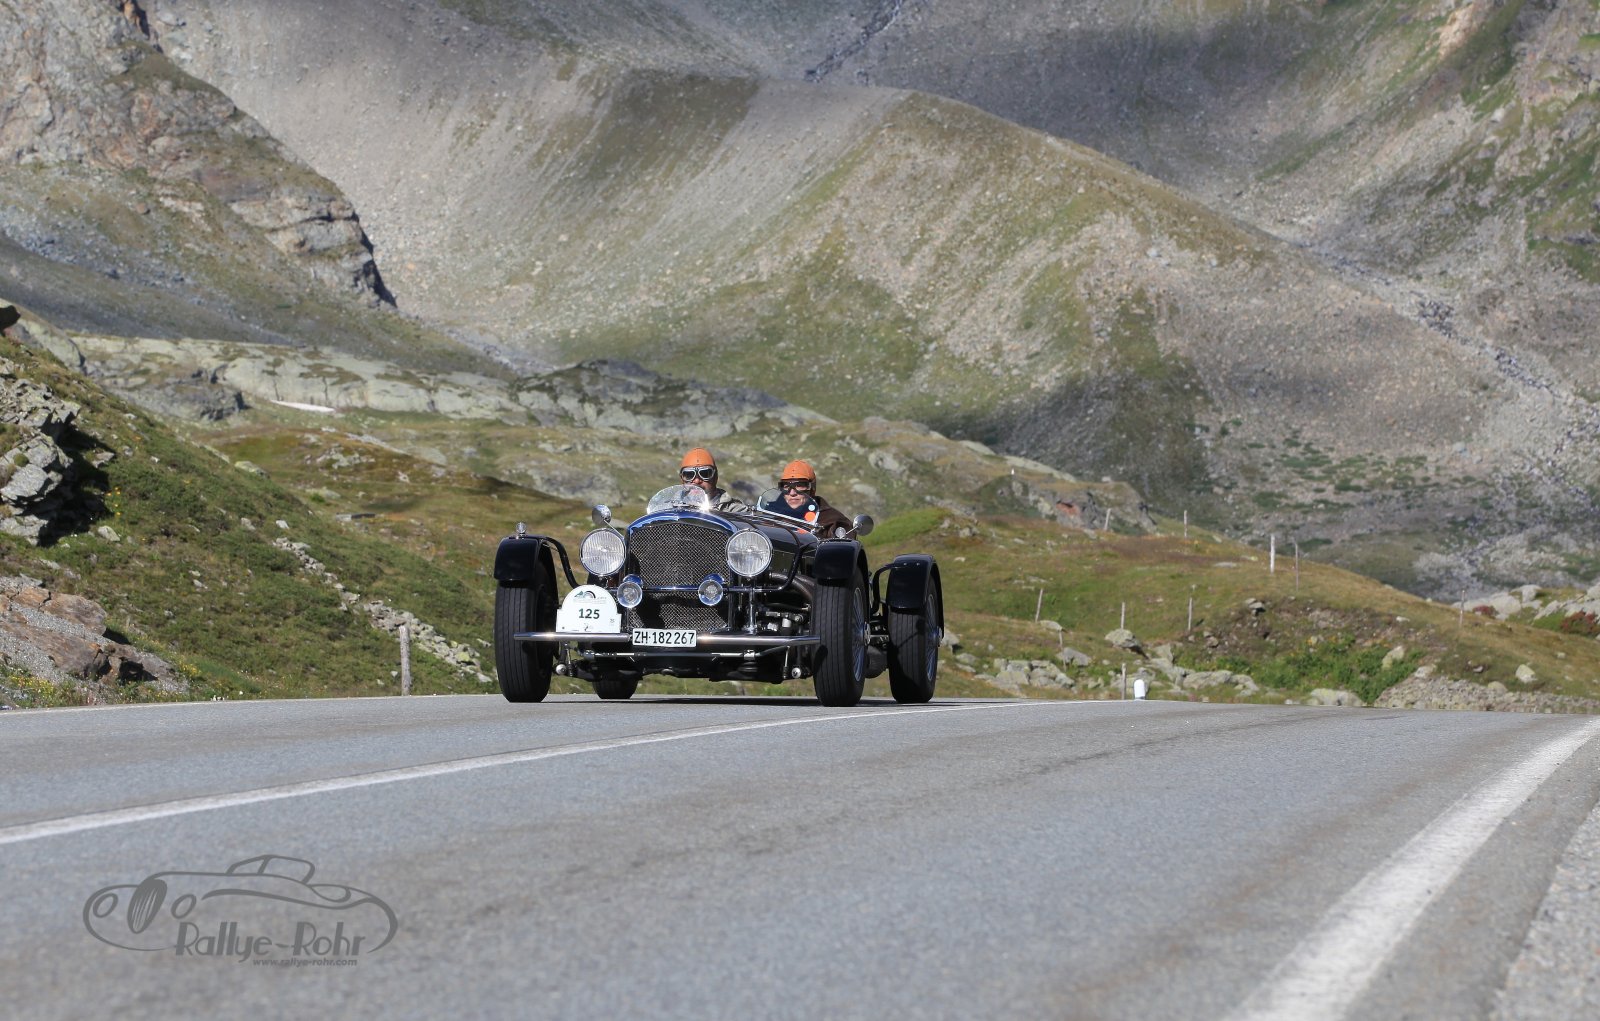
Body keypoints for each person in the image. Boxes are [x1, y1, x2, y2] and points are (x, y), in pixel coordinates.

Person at [763, 460, 851, 535]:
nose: (792, 493)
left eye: (799, 486)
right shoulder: (771, 515)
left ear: (812, 489)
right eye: (786, 486)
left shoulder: (833, 521)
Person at [677, 447, 749, 513]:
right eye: (689, 475)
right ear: (682, 478)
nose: (697, 481)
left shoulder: (736, 512)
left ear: (715, 477)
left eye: (704, 474)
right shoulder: (671, 508)